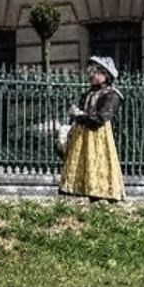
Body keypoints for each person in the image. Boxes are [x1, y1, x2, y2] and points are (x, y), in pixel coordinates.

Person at [59, 56, 125, 202]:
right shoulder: (88, 93)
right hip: (81, 133)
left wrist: (80, 115)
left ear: (104, 74)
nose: (90, 75)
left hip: (98, 135)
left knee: (99, 160)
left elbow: (101, 118)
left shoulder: (112, 94)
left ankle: (101, 192)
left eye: (94, 72)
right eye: (90, 72)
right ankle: (77, 190)